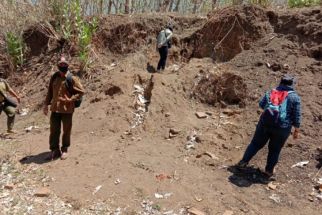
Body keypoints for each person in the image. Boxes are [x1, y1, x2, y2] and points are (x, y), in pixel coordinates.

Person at [237, 74, 301, 177]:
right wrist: (296, 129)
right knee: (275, 149)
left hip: (265, 124)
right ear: (292, 84)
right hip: (282, 128)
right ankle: (268, 171)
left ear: (281, 82)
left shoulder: (272, 91)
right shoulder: (295, 97)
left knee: (255, 144)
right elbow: (296, 116)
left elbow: (261, 104)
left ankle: (243, 163)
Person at [43, 57, 85, 160]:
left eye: (64, 64)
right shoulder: (54, 77)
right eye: (60, 64)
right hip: (55, 108)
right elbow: (50, 92)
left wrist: (71, 99)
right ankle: (54, 150)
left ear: (67, 65)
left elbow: (81, 91)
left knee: (66, 130)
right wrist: (45, 105)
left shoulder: (72, 78)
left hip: (67, 109)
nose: (62, 66)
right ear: (58, 65)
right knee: (54, 130)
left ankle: (65, 149)